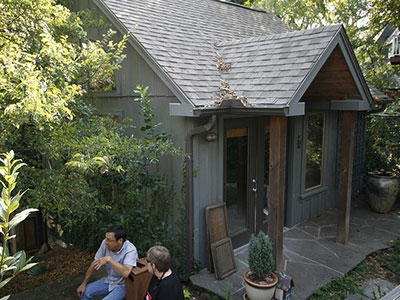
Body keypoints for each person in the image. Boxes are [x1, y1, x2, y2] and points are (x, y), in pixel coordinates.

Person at [77, 225, 138, 300]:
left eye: (109, 240)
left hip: (124, 285)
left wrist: (109, 259)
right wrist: (84, 283)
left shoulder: (130, 250)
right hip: (109, 281)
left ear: (120, 240)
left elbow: (126, 272)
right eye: (106, 238)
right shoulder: (105, 243)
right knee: (84, 292)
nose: (106, 242)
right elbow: (94, 263)